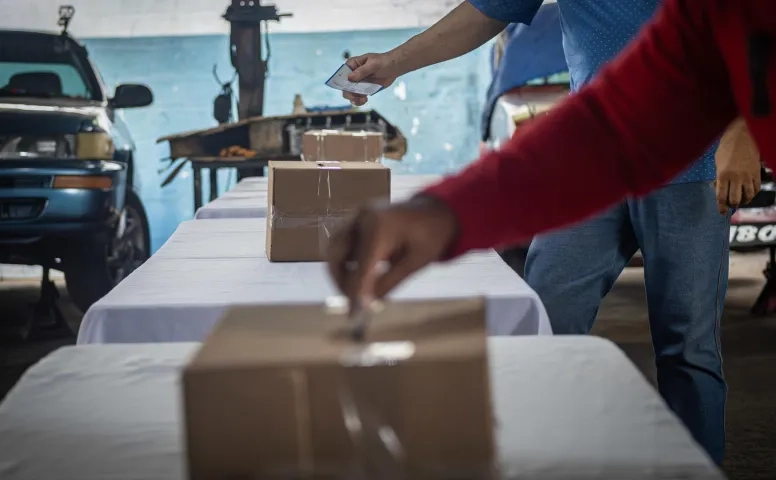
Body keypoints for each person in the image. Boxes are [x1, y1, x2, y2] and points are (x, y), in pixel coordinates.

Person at [329, 0, 771, 466]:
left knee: (688, 346)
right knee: (543, 313)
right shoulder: (663, 61)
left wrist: (740, 128)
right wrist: (442, 214)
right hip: (611, 158)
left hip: (696, 166)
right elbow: (614, 117)